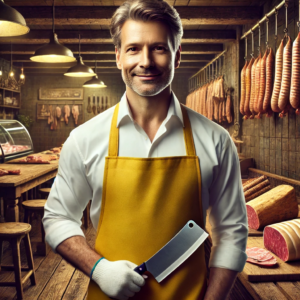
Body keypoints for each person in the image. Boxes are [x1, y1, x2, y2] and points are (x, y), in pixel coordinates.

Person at [43, 1, 248, 299]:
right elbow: (57, 218)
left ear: (177, 56)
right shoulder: (85, 138)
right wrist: (99, 268)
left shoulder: (216, 140)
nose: (146, 61)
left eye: (159, 48)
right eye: (133, 48)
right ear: (118, 56)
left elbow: (231, 233)